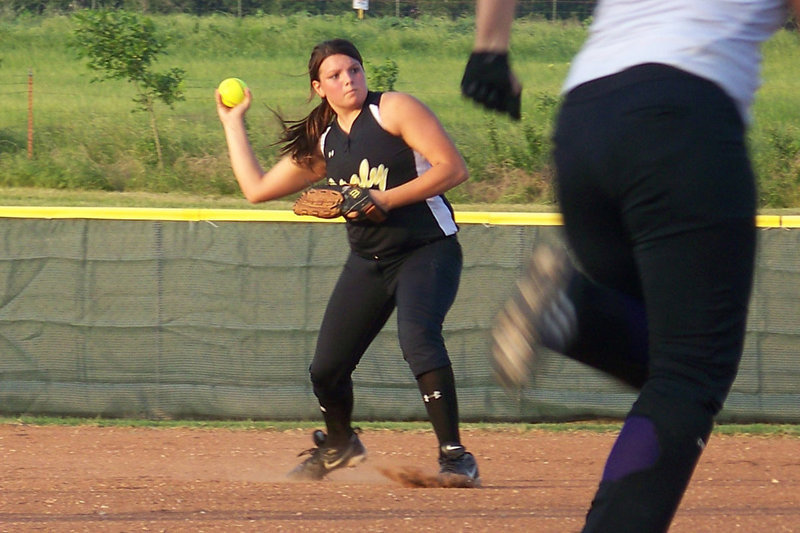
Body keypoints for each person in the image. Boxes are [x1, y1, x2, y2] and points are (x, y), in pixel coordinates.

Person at [462, 0, 799, 530]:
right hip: (683, 123)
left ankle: (575, 312)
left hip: (585, 123)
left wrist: (489, 50)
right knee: (690, 370)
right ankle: (572, 309)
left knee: (670, 360)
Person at [217, 38, 479, 487]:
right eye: (335, 75)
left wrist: (383, 198)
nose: (348, 80)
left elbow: (452, 169)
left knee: (418, 338)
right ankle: (340, 444)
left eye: (354, 70)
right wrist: (232, 122)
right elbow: (256, 188)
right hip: (369, 261)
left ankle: (455, 455)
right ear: (320, 87)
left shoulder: (393, 109)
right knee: (326, 369)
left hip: (427, 249)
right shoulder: (327, 140)